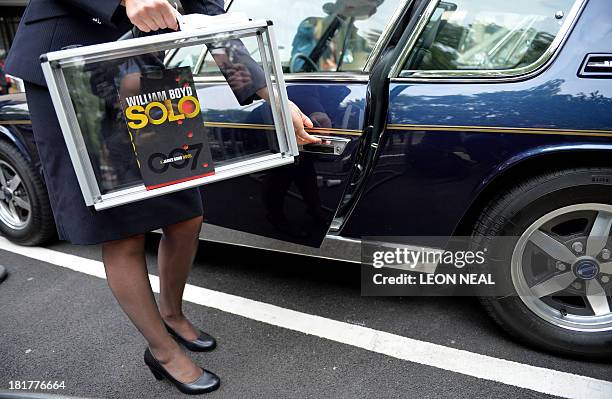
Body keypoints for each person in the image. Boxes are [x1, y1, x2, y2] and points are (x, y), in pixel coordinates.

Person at [5, 0, 320, 395]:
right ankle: (162, 350)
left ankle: (171, 313)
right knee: (121, 230)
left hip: (142, 68)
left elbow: (211, 17)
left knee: (186, 215)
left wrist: (273, 96)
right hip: (67, 68)